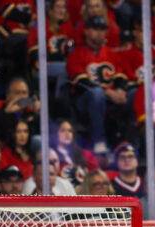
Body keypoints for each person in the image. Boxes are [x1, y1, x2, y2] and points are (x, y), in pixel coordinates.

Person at [66, 15, 129, 154]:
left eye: (102, 29)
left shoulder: (112, 53)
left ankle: (131, 140)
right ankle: (99, 140)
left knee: (136, 93)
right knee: (96, 93)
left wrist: (120, 90)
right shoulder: (76, 53)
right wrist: (108, 92)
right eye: (95, 29)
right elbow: (81, 83)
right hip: (84, 99)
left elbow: (120, 76)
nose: (99, 32)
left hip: (111, 97)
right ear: (87, 31)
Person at [54, 119, 98, 184]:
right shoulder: (51, 156)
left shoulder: (87, 154)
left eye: (70, 131)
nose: (67, 133)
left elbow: (96, 177)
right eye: (63, 130)